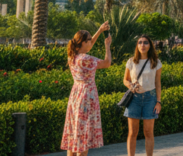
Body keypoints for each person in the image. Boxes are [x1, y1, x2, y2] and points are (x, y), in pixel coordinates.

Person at [60, 22, 112, 156]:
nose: (91, 42)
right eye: (88, 40)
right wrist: (107, 46)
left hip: (76, 95)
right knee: (84, 134)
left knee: (74, 134)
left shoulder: (72, 56)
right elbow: (107, 63)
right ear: (83, 42)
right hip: (87, 96)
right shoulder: (86, 59)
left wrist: (100, 30)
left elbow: (89, 46)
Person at [123, 35, 162, 156]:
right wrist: (131, 86)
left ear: (150, 45)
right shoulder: (131, 61)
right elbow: (125, 80)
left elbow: (157, 83)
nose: (142, 45)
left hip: (150, 98)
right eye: (140, 42)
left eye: (145, 42)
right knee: (132, 132)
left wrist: (158, 102)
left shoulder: (156, 62)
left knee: (148, 132)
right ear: (137, 46)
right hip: (134, 99)